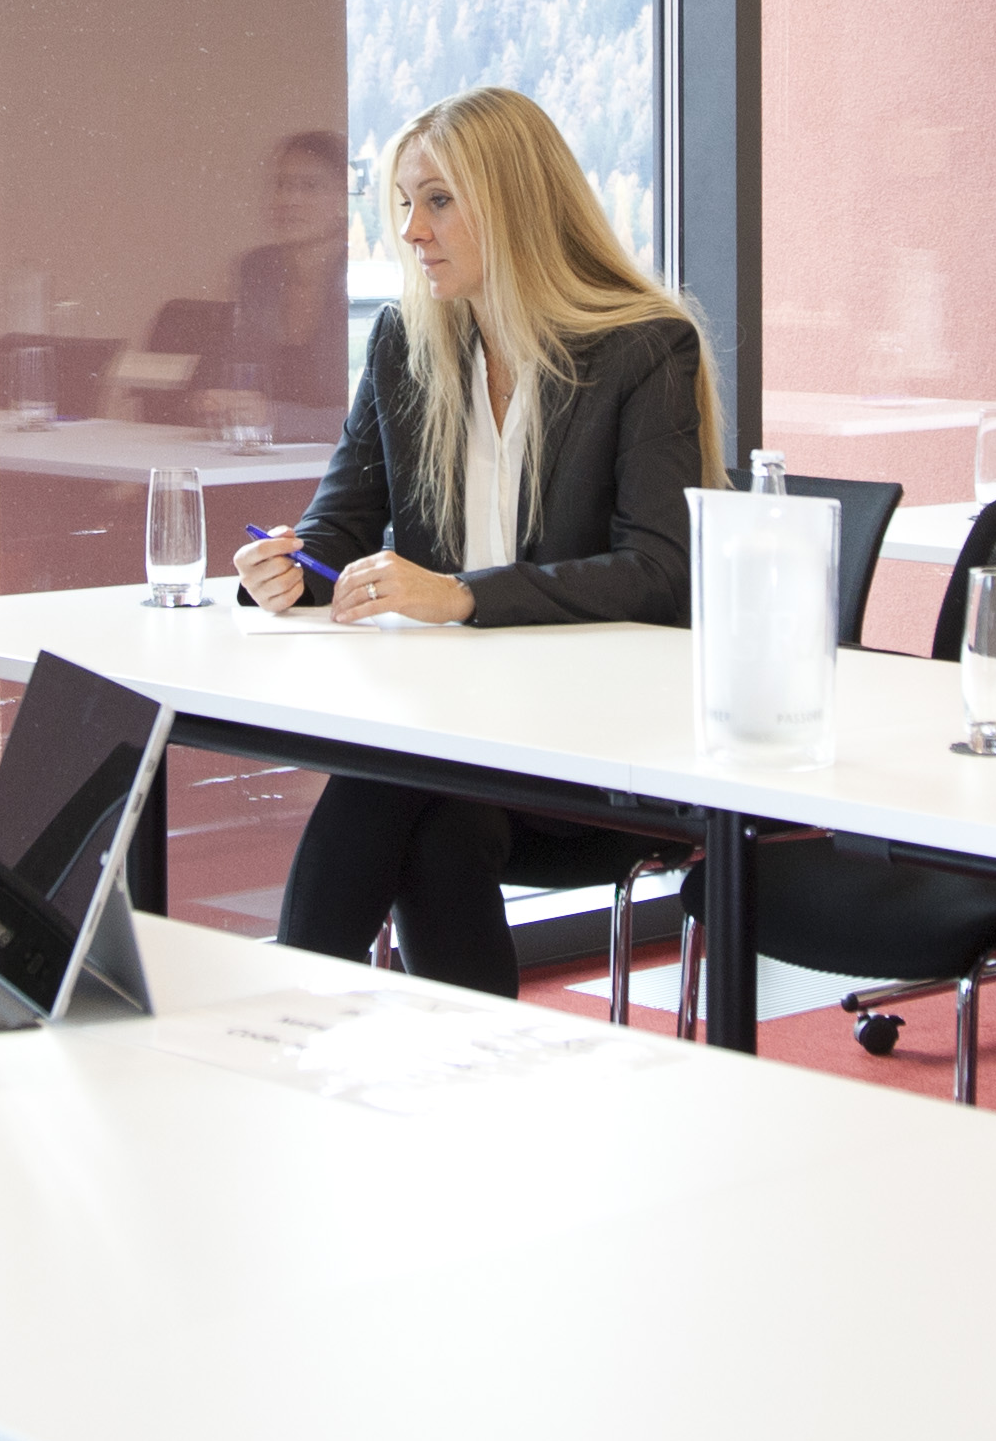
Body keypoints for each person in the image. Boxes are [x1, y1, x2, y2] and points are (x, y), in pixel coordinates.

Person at [235, 87, 709, 994]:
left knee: (394, 776)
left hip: (602, 742)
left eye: (439, 200)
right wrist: (288, 570)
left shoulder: (642, 348)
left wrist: (464, 595)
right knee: (433, 816)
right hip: (461, 739)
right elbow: (340, 524)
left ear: (517, 201)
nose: (411, 231)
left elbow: (658, 571)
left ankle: (286, 1021)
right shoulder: (404, 342)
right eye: (404, 204)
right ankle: (425, 1058)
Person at [190, 126, 357, 441]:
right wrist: (214, 403)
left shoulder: (365, 277)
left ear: (345, 200)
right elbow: (223, 376)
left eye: (310, 187)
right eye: (282, 185)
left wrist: (278, 419)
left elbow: (384, 419)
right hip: (264, 458)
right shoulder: (258, 270)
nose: (289, 199)